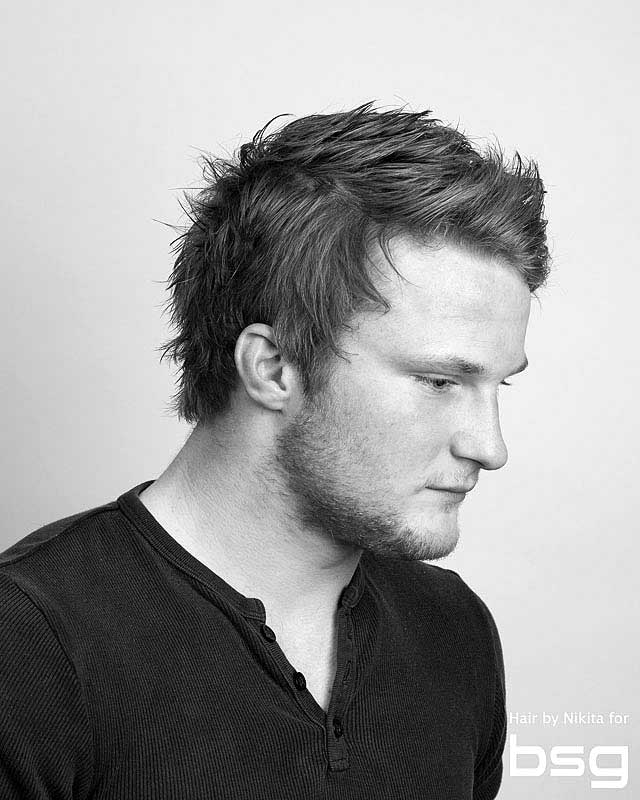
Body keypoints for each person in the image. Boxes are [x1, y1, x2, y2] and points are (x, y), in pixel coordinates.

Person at [0, 103, 549, 799]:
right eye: (440, 381)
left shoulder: (453, 630)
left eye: (500, 385)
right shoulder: (28, 646)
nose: (491, 447)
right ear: (273, 368)